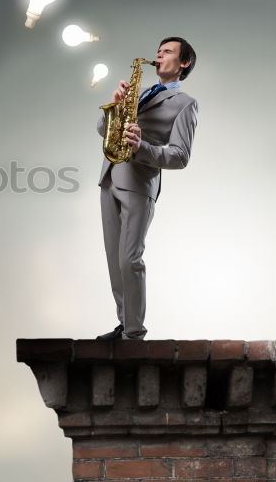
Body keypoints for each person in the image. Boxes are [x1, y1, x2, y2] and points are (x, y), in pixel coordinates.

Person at [95, 37, 199, 341]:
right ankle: (125, 324)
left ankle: (135, 333)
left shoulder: (185, 104)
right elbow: (103, 130)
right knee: (115, 260)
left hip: (139, 183)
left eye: (168, 52)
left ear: (184, 63)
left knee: (130, 258)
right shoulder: (138, 95)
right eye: (159, 50)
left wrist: (142, 147)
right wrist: (115, 106)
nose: (159, 54)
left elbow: (180, 156)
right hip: (110, 177)